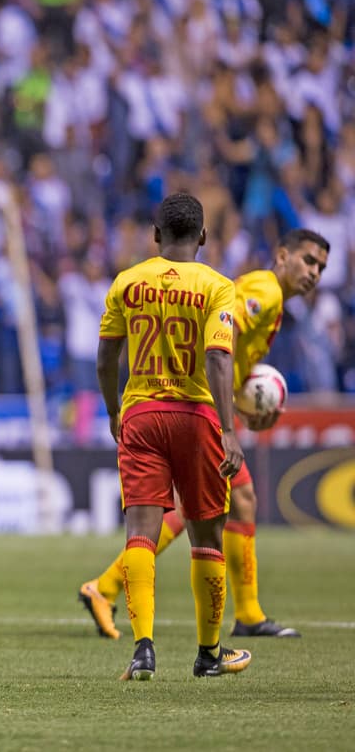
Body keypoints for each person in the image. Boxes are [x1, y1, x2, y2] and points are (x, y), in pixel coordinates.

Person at [79, 228, 330, 640]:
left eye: (320, 267)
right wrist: (223, 410)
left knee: (238, 500)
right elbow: (221, 339)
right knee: (191, 511)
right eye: (308, 260)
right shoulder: (264, 292)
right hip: (197, 407)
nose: (314, 272)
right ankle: (104, 587)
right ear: (282, 256)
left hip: (203, 403)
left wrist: (243, 404)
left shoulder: (271, 299)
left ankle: (248, 614)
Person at [94, 192, 252, 681]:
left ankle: (143, 649)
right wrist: (228, 430)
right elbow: (218, 358)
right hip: (196, 416)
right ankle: (209, 654)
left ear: (155, 235)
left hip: (141, 414)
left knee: (140, 531)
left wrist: (114, 409)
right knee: (206, 535)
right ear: (203, 236)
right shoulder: (217, 287)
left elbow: (105, 358)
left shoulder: (128, 282)